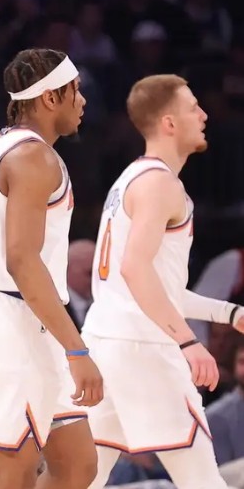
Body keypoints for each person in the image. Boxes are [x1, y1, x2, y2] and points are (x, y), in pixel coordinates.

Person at [82, 74, 243, 488]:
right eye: (193, 107)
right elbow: (135, 270)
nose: (204, 114)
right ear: (169, 122)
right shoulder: (160, 184)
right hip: (144, 348)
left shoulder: (131, 178)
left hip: (105, 343)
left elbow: (154, 288)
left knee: (85, 478)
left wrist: (229, 313)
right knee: (203, 481)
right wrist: (188, 342)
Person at [0, 48, 102, 489]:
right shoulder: (33, 158)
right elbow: (21, 260)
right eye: (75, 90)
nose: (82, 101)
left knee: (77, 465)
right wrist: (77, 350)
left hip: (21, 318)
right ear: (50, 98)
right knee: (12, 473)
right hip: (14, 320)